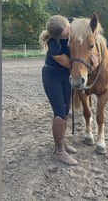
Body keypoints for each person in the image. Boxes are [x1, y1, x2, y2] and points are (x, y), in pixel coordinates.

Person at [39, 15, 78, 166]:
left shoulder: (71, 22)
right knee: (59, 113)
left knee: (66, 110)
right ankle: (59, 151)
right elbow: (71, 65)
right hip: (52, 76)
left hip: (64, 76)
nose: (68, 36)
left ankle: (62, 142)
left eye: (68, 33)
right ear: (56, 36)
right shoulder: (53, 43)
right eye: (65, 36)